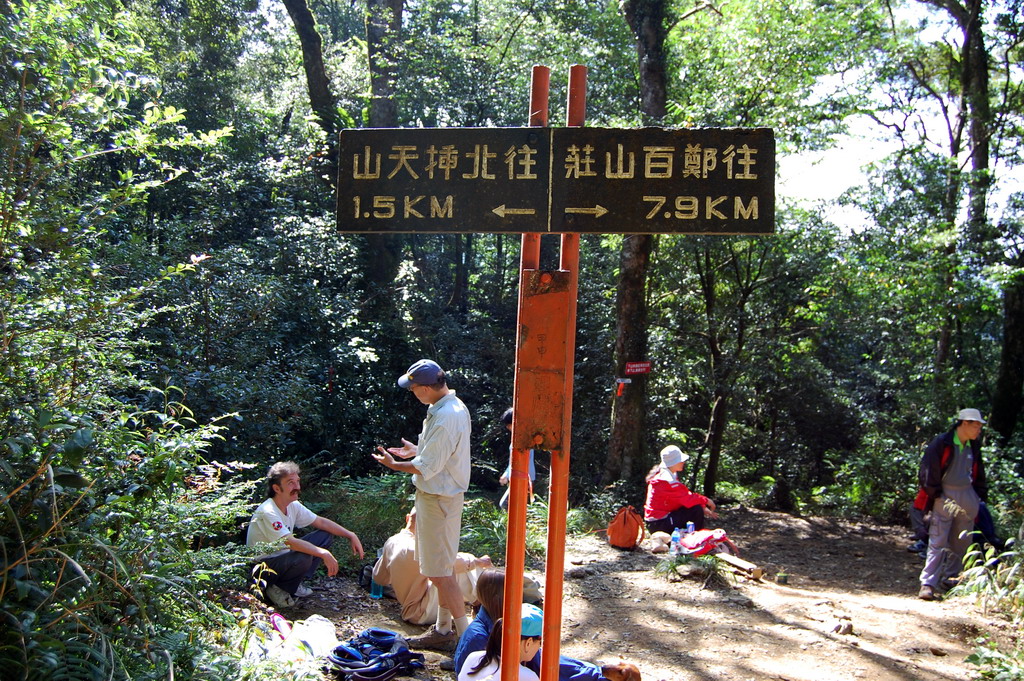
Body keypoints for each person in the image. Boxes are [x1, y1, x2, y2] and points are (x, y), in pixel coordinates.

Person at [372, 358, 472, 649]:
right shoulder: (444, 407)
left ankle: (465, 641)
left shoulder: (446, 416)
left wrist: (395, 465)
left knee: (441, 572)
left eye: (414, 388)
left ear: (426, 388)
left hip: (439, 499)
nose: (413, 393)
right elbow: (438, 455)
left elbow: (427, 466)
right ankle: (442, 631)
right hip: (438, 496)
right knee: (441, 568)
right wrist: (415, 451)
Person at [455, 569, 634, 681]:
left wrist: (596, 673)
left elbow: (550, 662)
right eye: (517, 595)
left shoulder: (498, 638)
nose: (521, 600)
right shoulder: (479, 639)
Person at [246, 461, 364, 608]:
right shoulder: (268, 510)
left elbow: (321, 522)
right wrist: (323, 553)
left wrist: (350, 534)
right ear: (276, 488)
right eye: (290, 483)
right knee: (304, 555)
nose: (297, 487)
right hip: (262, 568)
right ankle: (277, 588)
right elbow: (290, 542)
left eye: (297, 481)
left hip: (283, 559)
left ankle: (293, 584)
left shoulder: (292, 505)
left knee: (324, 536)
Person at [373, 508, 493, 625]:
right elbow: (449, 563)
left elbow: (379, 578)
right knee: (463, 563)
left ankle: (479, 602)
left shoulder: (392, 542)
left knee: (459, 563)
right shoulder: (420, 548)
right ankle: (482, 604)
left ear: (407, 518)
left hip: (413, 610)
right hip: (423, 611)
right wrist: (478, 562)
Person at [918, 408, 988, 601]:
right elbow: (927, 470)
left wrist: (978, 496)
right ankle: (928, 584)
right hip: (945, 494)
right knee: (938, 539)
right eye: (976, 426)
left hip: (967, 494)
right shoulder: (942, 443)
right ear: (964, 423)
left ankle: (952, 579)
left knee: (962, 541)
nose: (978, 430)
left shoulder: (973, 445)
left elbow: (978, 471)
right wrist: (937, 494)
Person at [643, 445, 718, 535]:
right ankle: (695, 539)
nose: (683, 462)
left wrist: (703, 505)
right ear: (673, 462)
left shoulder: (667, 474)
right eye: (680, 460)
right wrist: (706, 501)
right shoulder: (666, 480)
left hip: (659, 521)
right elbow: (687, 499)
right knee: (696, 509)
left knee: (696, 507)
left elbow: (684, 495)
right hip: (659, 524)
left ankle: (692, 536)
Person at [459, 603, 544, 681]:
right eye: (540, 642)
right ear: (528, 643)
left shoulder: (472, 658)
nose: (539, 647)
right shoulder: (527, 676)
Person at [498, 407, 536, 510]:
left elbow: (520, 461)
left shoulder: (523, 438)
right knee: (515, 507)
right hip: (521, 477)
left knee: (506, 505)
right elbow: (513, 461)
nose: (507, 427)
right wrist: (506, 475)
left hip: (524, 478)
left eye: (508, 424)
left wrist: (507, 475)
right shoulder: (518, 438)